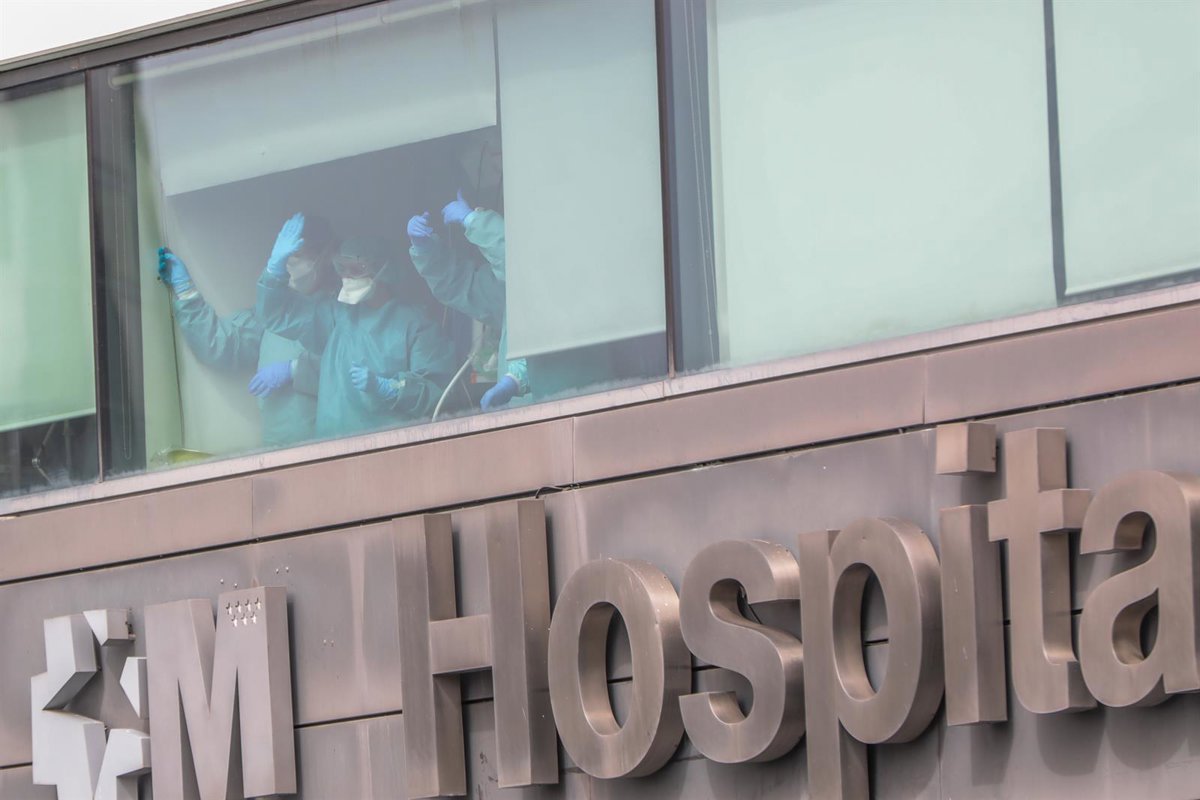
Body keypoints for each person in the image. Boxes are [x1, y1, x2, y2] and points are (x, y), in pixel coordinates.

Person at [256, 214, 456, 438]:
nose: (347, 276)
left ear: (384, 270)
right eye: (342, 267)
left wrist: (391, 388)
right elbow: (277, 315)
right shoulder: (335, 317)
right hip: (331, 448)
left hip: (389, 449)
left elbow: (439, 395)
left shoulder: (417, 326)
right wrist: (275, 271)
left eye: (358, 268)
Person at [154, 215, 337, 447]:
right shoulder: (274, 314)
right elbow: (220, 345)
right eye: (287, 256)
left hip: (334, 448)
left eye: (299, 256)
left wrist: (296, 370)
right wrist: (185, 290)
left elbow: (353, 368)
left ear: (325, 257)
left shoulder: (344, 312)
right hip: (278, 447)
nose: (290, 263)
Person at [407, 191, 528, 410]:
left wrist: (475, 222)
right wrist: (426, 251)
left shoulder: (564, 281)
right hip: (517, 418)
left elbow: (520, 262)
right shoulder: (508, 292)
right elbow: (463, 285)